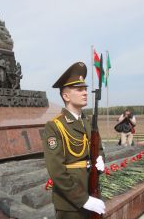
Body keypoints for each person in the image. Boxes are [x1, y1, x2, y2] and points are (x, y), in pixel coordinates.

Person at [42, 62, 106, 219]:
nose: (85, 92)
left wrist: (101, 161)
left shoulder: (89, 122)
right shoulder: (55, 126)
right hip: (70, 204)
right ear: (66, 96)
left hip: (92, 191)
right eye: (79, 89)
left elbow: (99, 150)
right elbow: (57, 171)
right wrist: (82, 199)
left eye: (85, 88)